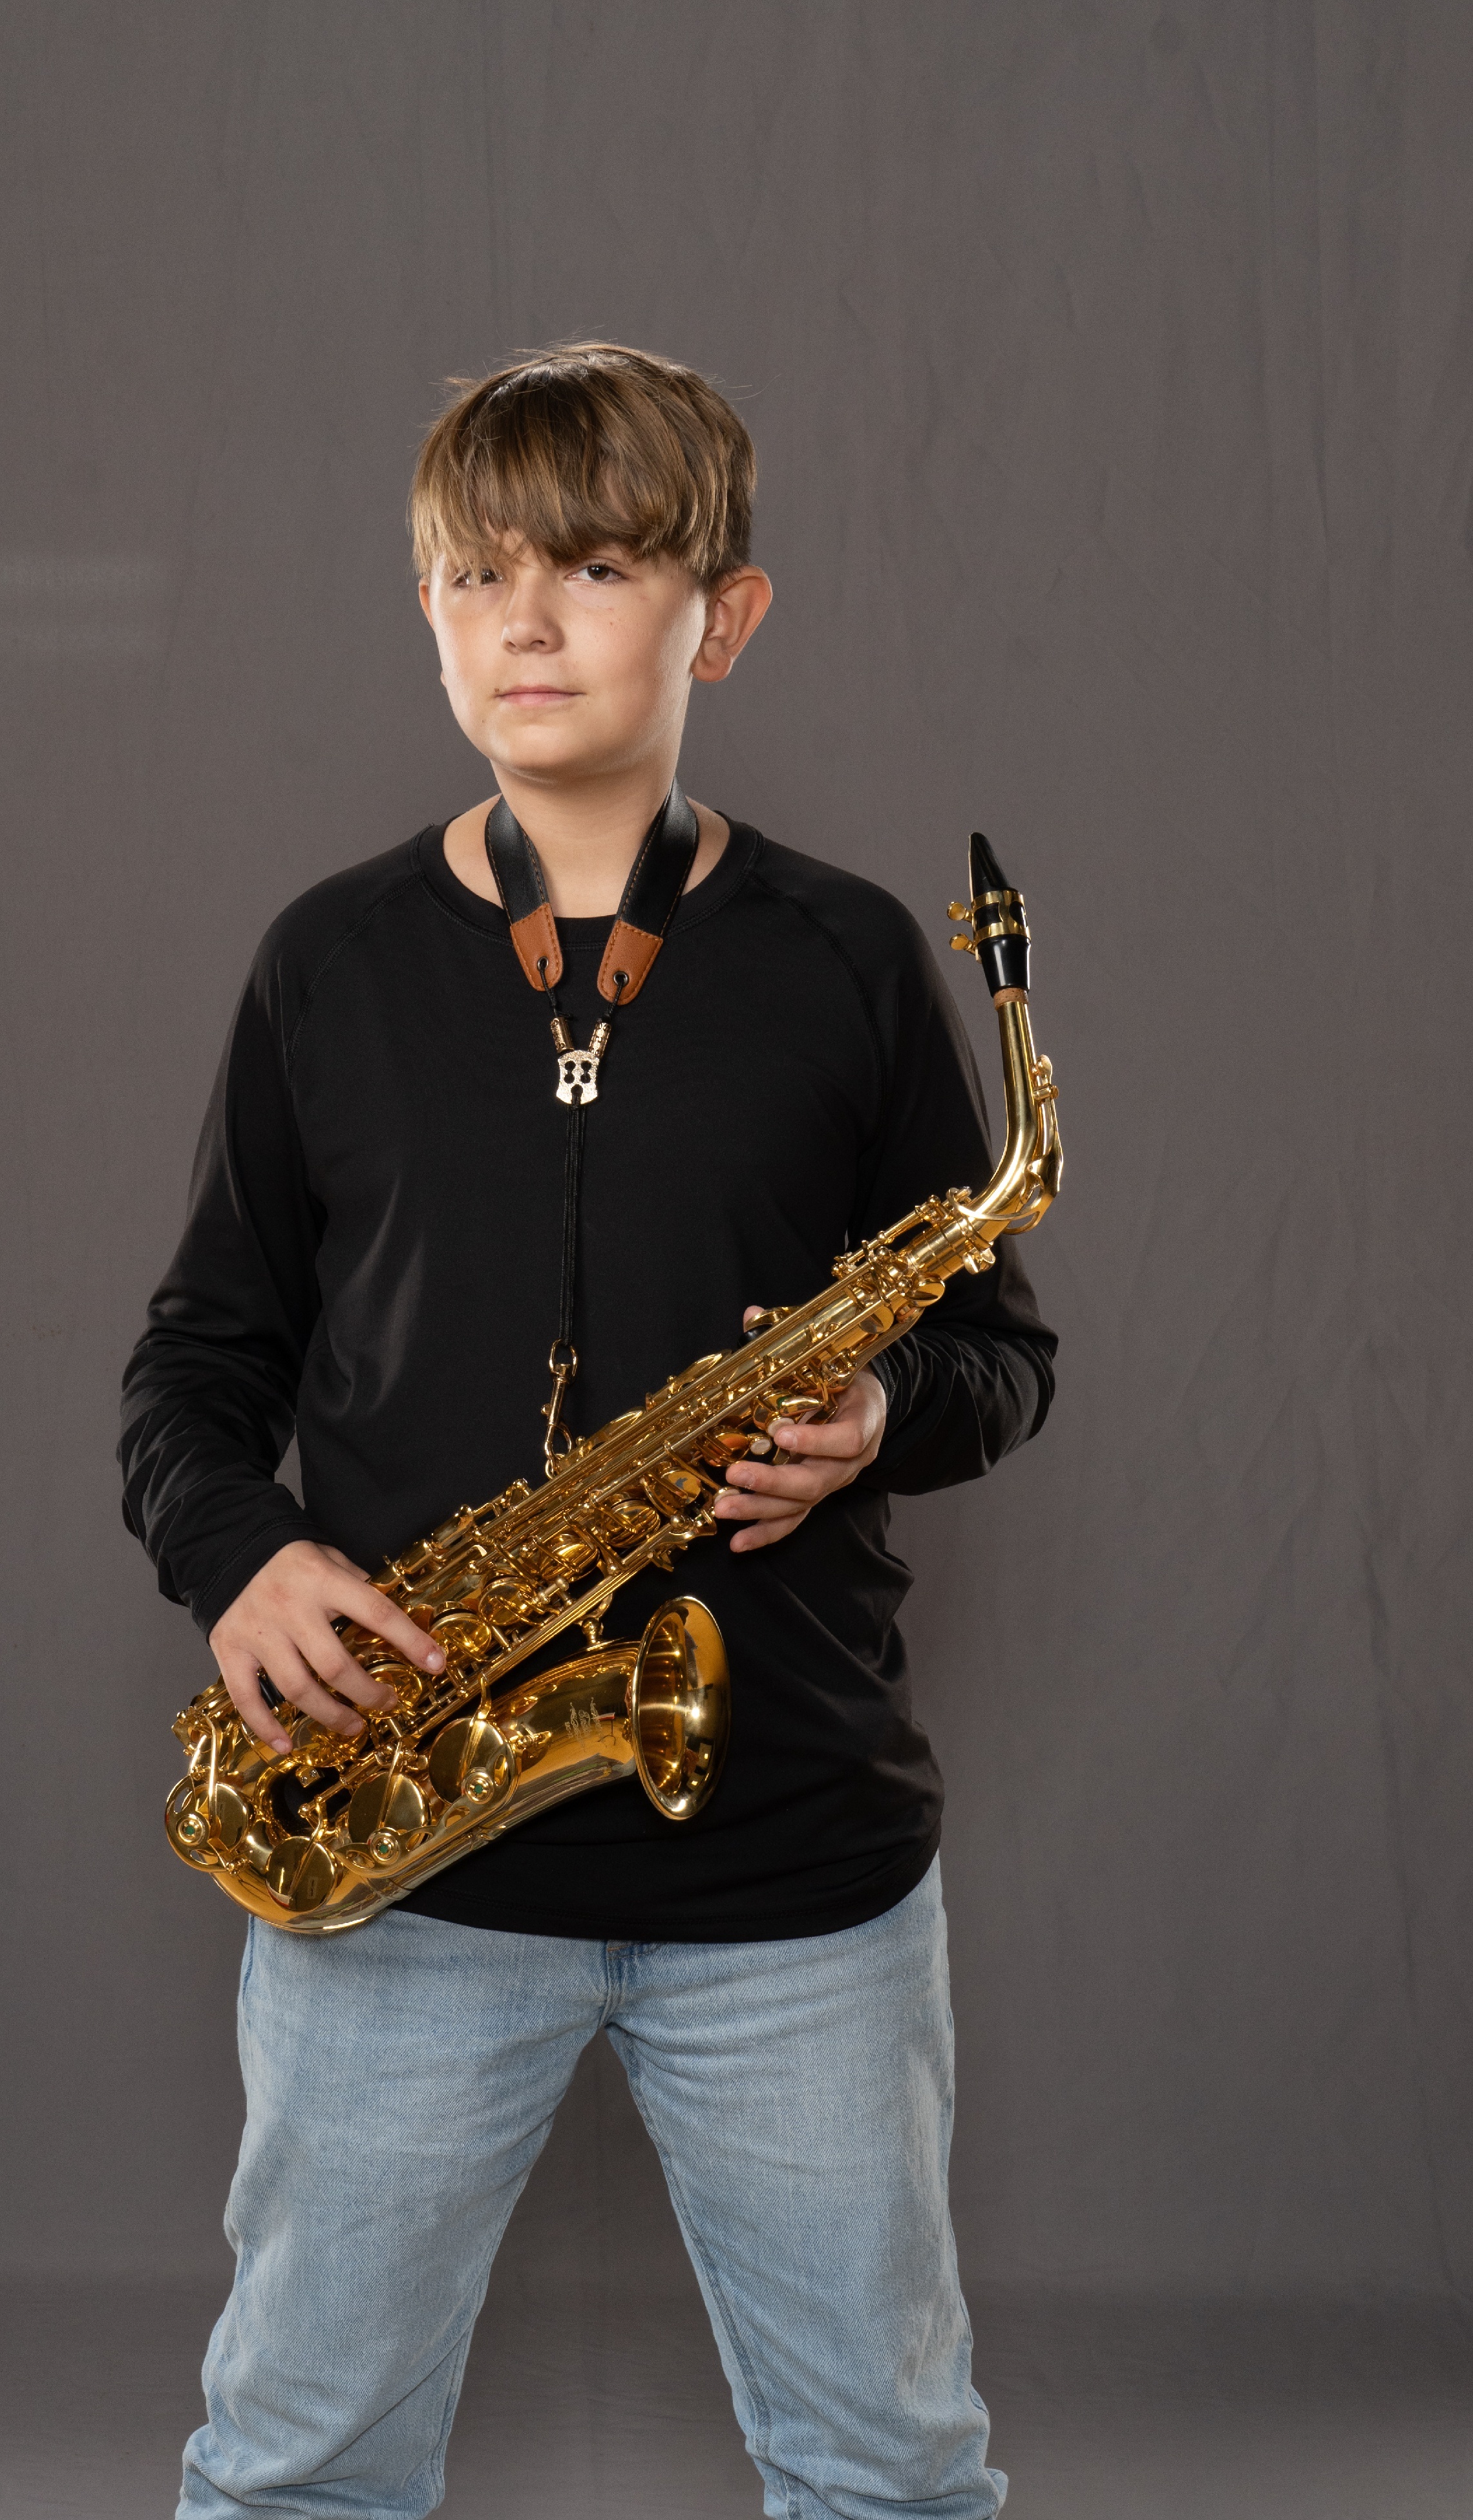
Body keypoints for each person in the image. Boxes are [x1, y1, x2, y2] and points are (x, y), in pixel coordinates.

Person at [120, 341, 1056, 2520]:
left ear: (725, 615)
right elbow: (193, 1366)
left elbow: (1002, 1353)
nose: (523, 623)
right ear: (427, 608)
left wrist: (884, 1402)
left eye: (598, 567)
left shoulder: (845, 957)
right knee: (297, 2471)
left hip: (798, 1865)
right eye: (476, 575)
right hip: (407, 1859)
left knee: (891, 2471)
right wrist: (240, 1555)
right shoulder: (328, 964)